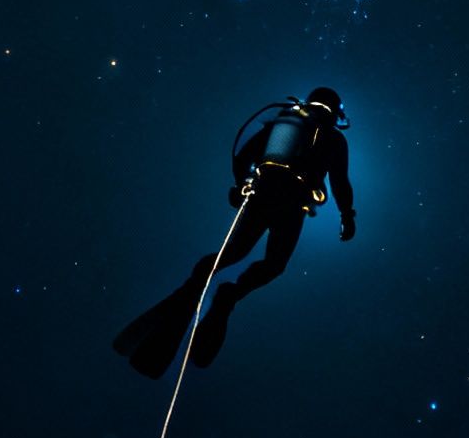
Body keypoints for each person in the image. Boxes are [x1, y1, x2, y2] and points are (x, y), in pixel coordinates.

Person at [113, 88, 356, 377]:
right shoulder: (334, 139)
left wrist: (241, 185)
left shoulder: (284, 123)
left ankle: (198, 282)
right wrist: (347, 215)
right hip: (291, 204)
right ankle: (230, 293)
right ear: (336, 111)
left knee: (233, 253)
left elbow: (243, 156)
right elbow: (340, 182)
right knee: (274, 264)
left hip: (263, 196)